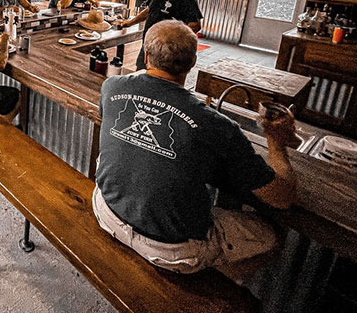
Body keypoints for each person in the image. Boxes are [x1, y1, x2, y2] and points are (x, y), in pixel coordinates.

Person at [93, 20, 297, 277]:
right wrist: (277, 143)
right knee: (273, 239)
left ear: (146, 56)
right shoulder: (217, 125)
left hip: (105, 212)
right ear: (193, 62)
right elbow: (281, 197)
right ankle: (211, 293)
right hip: (170, 249)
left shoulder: (111, 87)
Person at [120, 0, 203, 69]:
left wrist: (173, 39)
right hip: (148, 43)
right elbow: (150, 10)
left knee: (160, 77)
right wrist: (130, 23)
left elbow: (195, 26)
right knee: (141, 71)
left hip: (168, 50)